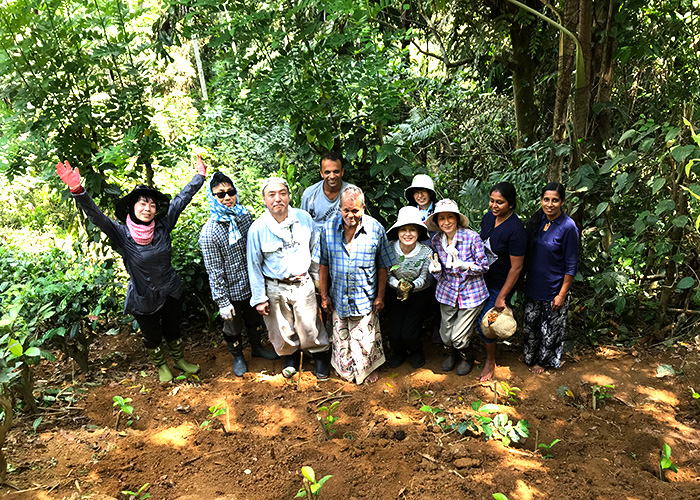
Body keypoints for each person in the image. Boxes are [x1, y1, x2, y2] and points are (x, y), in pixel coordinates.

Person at [55, 157, 206, 383]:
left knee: (173, 329)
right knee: (153, 335)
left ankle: (179, 360)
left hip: (170, 290)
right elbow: (97, 216)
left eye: (152, 205)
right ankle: (161, 365)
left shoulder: (164, 225)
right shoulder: (122, 233)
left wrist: (200, 177)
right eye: (142, 204)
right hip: (143, 296)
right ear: (133, 207)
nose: (148, 208)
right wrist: (77, 189)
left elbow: (181, 199)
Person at [246, 177, 330, 380]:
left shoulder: (304, 219)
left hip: (303, 283)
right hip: (274, 286)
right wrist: (259, 298)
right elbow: (254, 265)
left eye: (282, 193)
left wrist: (319, 286)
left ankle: (319, 355)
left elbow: (315, 252)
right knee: (281, 327)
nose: (278, 199)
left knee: (309, 324)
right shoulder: (257, 228)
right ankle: (290, 356)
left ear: (289, 196)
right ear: (264, 199)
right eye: (272, 195)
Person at [314, 186, 396, 384]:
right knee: (342, 338)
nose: (350, 215)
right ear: (340, 208)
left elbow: (383, 266)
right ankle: (346, 371)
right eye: (346, 210)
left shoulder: (376, 229)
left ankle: (366, 370)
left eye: (355, 210)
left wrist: (380, 297)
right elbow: (323, 265)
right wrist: (324, 296)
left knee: (365, 340)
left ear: (364, 208)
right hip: (339, 297)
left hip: (365, 297)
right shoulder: (328, 229)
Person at [199, 172, 278, 378]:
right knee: (233, 325)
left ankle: (256, 346)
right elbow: (214, 270)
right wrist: (222, 301)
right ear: (212, 197)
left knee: (254, 320)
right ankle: (237, 356)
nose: (227, 198)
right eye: (220, 194)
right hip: (230, 289)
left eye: (230, 192)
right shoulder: (209, 232)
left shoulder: (244, 217)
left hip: (251, 283)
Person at [426, 199, 489, 376]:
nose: (446, 222)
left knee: (459, 337)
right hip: (447, 291)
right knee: (445, 335)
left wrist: (465, 266)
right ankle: (452, 354)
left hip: (471, 293)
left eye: (450, 217)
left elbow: (484, 266)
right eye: (441, 218)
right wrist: (436, 270)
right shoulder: (437, 240)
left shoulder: (472, 237)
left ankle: (466, 356)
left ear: (457, 218)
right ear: (437, 222)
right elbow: (440, 269)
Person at [522, 182, 579, 374]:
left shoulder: (568, 227)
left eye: (555, 200)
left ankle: (544, 362)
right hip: (533, 285)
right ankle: (530, 356)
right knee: (530, 326)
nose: (550, 204)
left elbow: (571, 265)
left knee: (550, 330)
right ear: (541, 200)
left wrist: (562, 294)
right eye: (546, 199)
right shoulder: (538, 221)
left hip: (554, 288)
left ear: (562, 202)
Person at [476, 182, 527, 382]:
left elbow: (516, 267)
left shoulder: (516, 230)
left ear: (511, 204)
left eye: (500, 202)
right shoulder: (489, 218)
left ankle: (491, 361)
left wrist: (502, 295)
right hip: (482, 278)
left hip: (500, 282)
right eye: (492, 201)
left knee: (487, 323)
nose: (494, 206)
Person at [384, 206, 433, 369]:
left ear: (419, 232)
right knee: (395, 334)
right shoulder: (390, 248)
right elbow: (388, 274)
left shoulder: (426, 252)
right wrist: (397, 285)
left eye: (412, 229)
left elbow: (425, 278)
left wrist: (411, 286)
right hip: (394, 293)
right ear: (397, 231)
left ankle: (416, 351)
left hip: (418, 295)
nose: (407, 233)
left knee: (409, 334)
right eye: (403, 229)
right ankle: (399, 353)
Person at [300, 152, 350, 235]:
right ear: (321, 173)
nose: (332, 176)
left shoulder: (352, 192)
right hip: (317, 242)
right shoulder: (310, 194)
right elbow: (303, 225)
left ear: (342, 172)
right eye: (327, 172)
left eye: (336, 171)